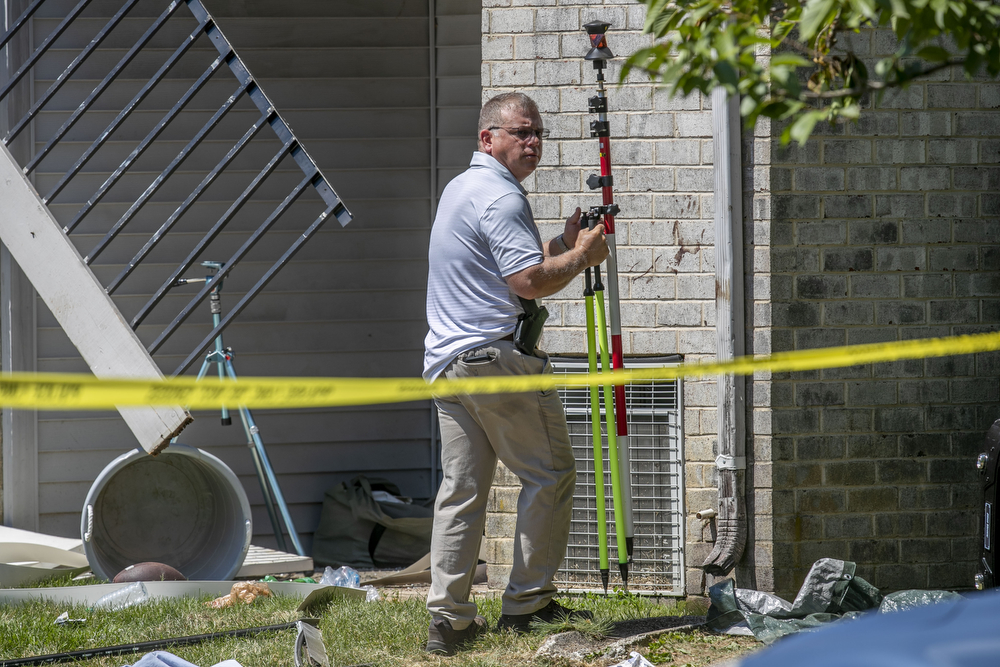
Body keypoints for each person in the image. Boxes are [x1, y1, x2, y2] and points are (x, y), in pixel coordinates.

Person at [422, 92, 610, 655]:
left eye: (538, 133)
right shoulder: (501, 197)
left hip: (449, 363)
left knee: (461, 491)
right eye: (520, 132)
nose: (532, 142)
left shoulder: (463, 188)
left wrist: (563, 240)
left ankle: (448, 620)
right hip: (495, 361)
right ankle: (528, 605)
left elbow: (507, 266)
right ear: (488, 139)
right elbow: (528, 283)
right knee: (549, 473)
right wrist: (584, 257)